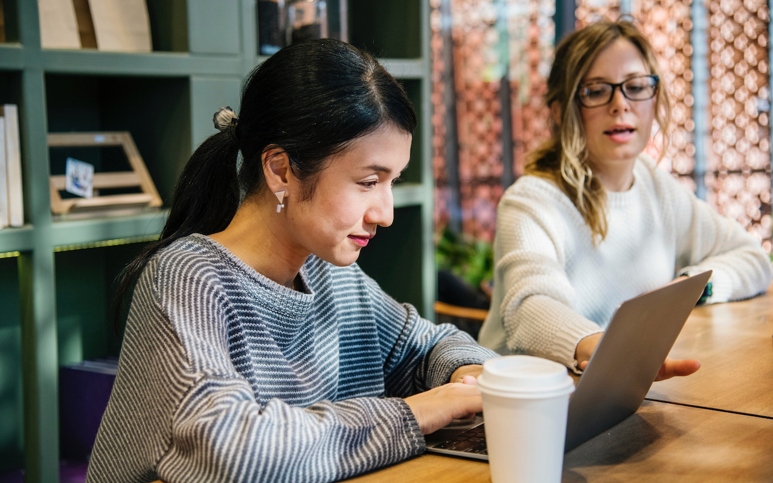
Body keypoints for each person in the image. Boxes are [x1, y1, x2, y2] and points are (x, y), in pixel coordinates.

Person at [87, 39, 498, 483]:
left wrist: (468, 374)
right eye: (367, 181)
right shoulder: (188, 278)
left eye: (392, 181)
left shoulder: (327, 272)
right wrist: (414, 414)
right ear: (281, 170)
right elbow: (230, 452)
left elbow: (426, 347)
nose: (386, 213)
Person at [477, 20, 773, 378]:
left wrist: (692, 287)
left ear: (654, 98)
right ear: (561, 110)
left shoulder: (655, 186)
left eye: (635, 87)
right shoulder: (531, 201)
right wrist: (613, 352)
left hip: (623, 391)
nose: (620, 104)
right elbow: (530, 308)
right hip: (530, 407)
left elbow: (754, 259)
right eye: (597, 90)